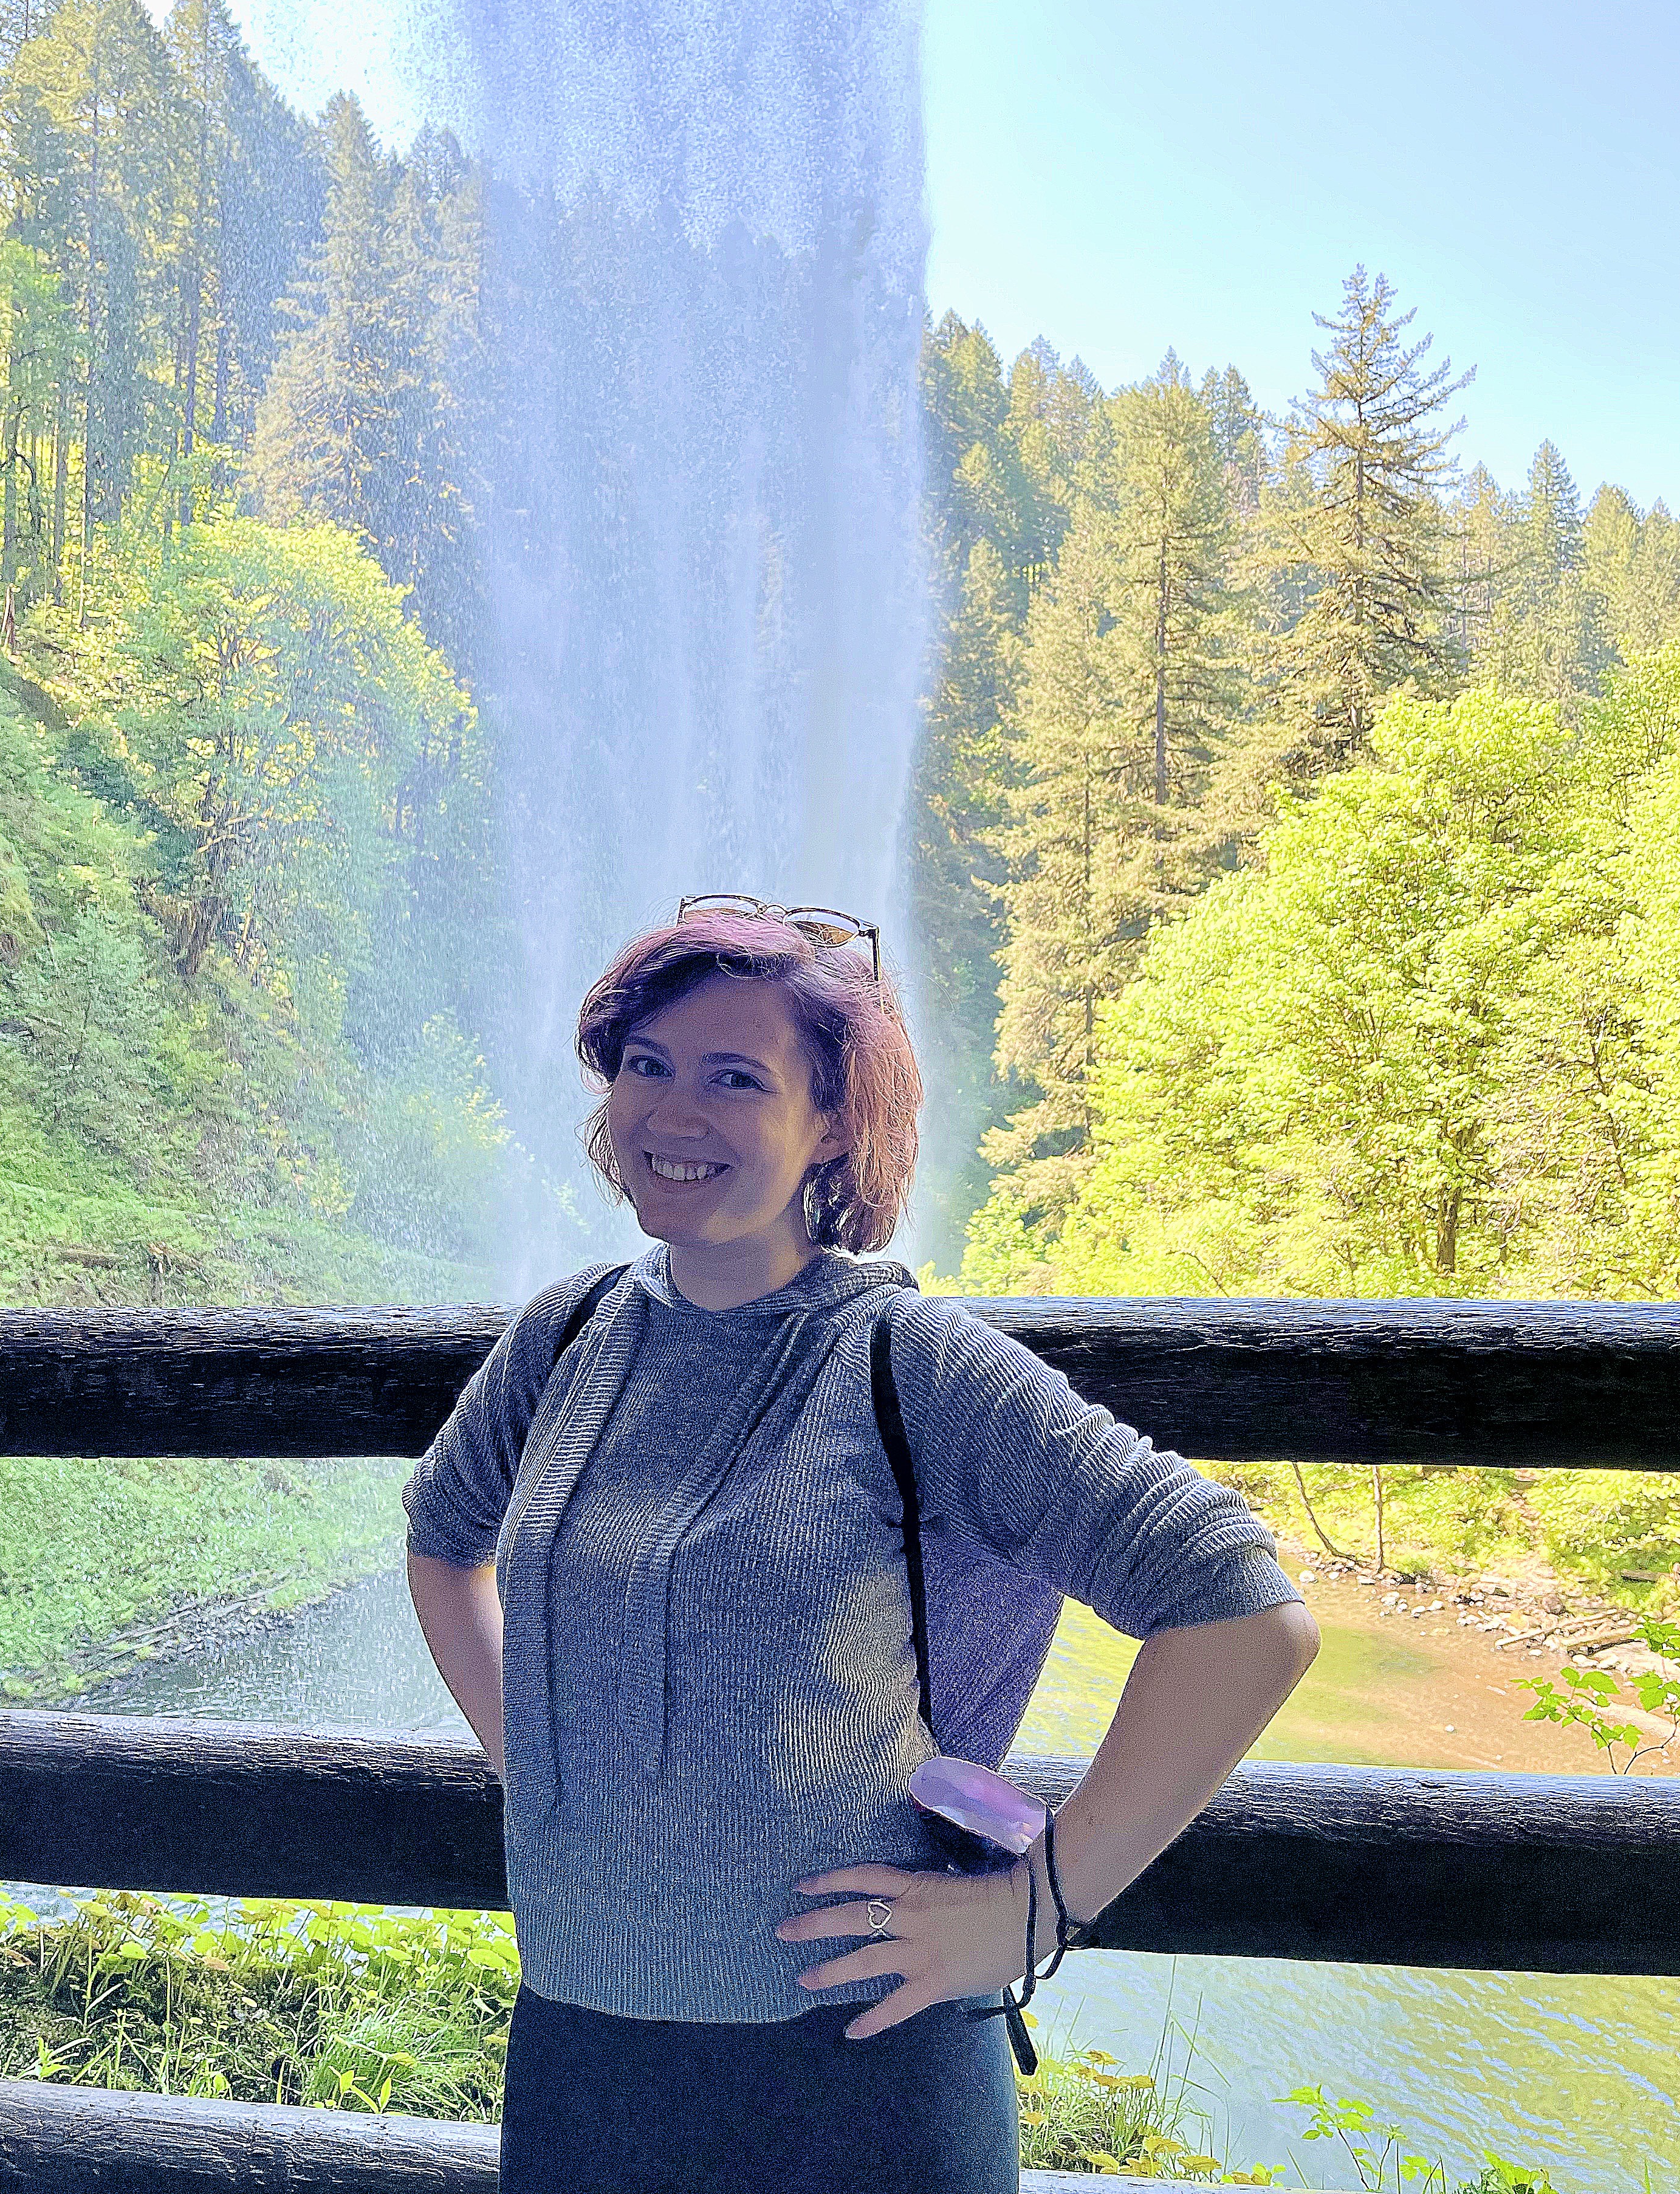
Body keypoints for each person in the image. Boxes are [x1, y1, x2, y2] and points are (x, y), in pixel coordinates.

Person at [403, 896, 1319, 2194]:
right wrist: (541, 1754)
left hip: (857, 2065)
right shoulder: (564, 1338)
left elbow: (1243, 1615)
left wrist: (1030, 1911)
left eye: (735, 1077)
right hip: (583, 2042)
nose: (672, 1114)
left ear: (832, 1121)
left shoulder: (910, 1362)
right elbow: (444, 1543)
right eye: (645, 1068)